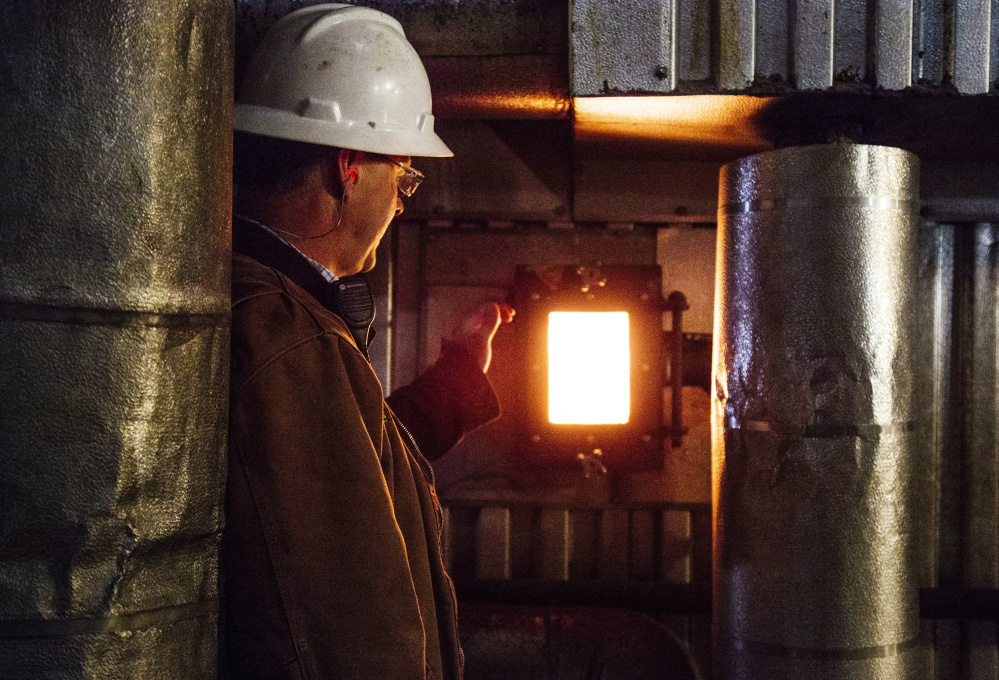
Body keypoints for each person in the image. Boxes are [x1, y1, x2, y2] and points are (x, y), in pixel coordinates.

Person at [225, 5, 512, 679]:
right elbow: (348, 631)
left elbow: (351, 462)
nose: (402, 201)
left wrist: (459, 377)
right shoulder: (286, 335)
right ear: (349, 167)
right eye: (403, 177)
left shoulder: (282, 320)